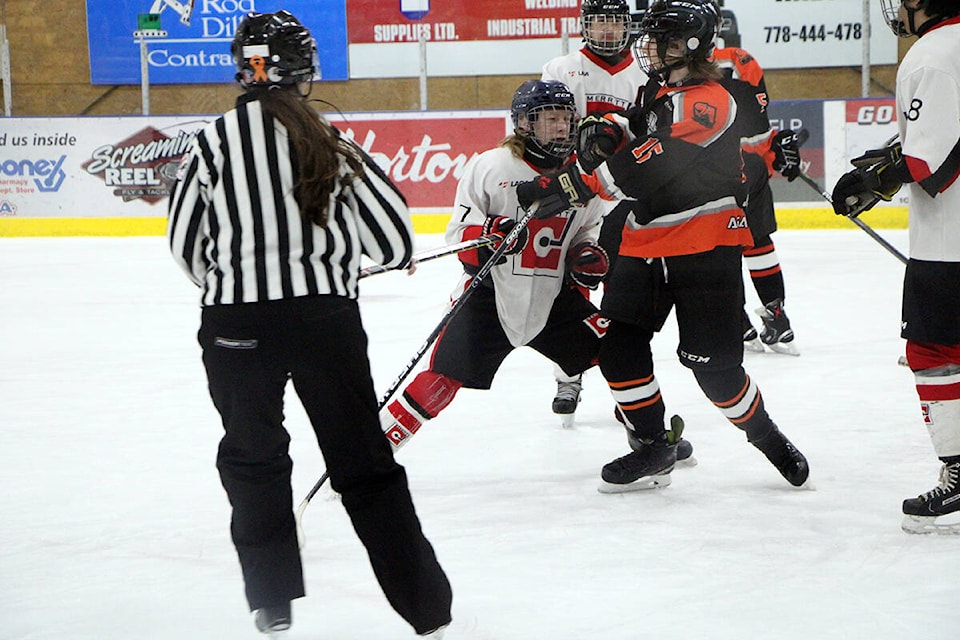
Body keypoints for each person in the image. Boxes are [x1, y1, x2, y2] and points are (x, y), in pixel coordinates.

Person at [166, 11, 452, 636]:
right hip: (325, 320)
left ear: (244, 68)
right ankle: (427, 610)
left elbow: (186, 248)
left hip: (234, 324)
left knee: (253, 458)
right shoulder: (328, 140)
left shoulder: (211, 141)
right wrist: (331, 260)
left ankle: (271, 602)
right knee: (363, 463)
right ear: (306, 70)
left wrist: (235, 284)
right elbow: (394, 239)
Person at [516, 0, 810, 492]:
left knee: (714, 370)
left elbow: (644, 164)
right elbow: (639, 121)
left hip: (704, 246)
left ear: (687, 45)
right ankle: (655, 445)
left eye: (660, 38)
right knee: (617, 347)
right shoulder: (661, 87)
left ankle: (768, 438)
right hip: (644, 242)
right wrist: (609, 128)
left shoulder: (709, 99)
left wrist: (566, 186)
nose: (647, 46)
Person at [378, 79, 613, 454]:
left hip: (552, 297)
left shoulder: (582, 174)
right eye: (548, 119)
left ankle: (649, 438)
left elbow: (587, 232)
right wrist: (489, 234)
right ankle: (371, 455)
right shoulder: (492, 165)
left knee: (620, 351)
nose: (560, 127)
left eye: (565, 119)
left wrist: (587, 256)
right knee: (440, 382)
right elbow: (459, 237)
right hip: (489, 295)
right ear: (523, 124)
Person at [833, 0, 960, 534]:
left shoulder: (932, 54)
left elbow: (933, 164)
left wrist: (872, 181)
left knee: (933, 351)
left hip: (949, 242)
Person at [539, 0, 648, 424]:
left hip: (625, 199)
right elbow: (546, 127)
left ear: (626, 25)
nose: (606, 30)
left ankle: (628, 390)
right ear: (585, 25)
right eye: (599, 21)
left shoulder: (644, 70)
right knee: (575, 290)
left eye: (614, 21)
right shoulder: (561, 68)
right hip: (577, 198)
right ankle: (569, 375)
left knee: (623, 296)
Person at [712, 41, 803, 356]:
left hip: (712, 172)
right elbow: (759, 127)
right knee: (757, 240)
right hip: (747, 168)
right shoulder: (739, 59)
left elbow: (751, 125)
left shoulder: (719, 63)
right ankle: (777, 318)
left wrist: (773, 152)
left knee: (717, 246)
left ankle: (735, 321)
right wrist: (773, 155)